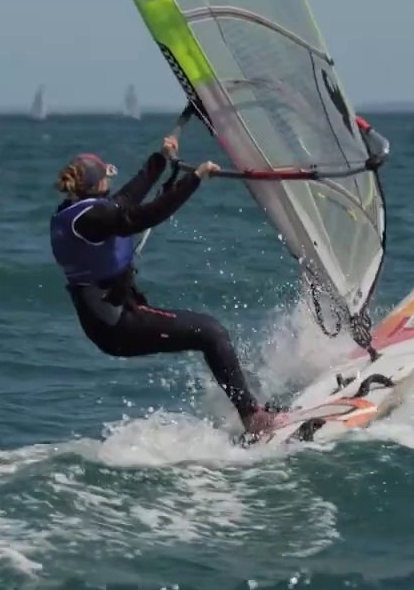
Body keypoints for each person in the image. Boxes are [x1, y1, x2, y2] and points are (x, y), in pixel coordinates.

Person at [49, 135, 286, 435]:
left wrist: (159, 159)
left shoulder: (73, 214)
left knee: (208, 334)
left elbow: (126, 199)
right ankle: (253, 418)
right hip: (118, 324)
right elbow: (145, 214)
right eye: (107, 176)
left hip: (107, 323)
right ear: (97, 184)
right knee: (211, 333)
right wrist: (194, 179)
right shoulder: (94, 217)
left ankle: (249, 406)